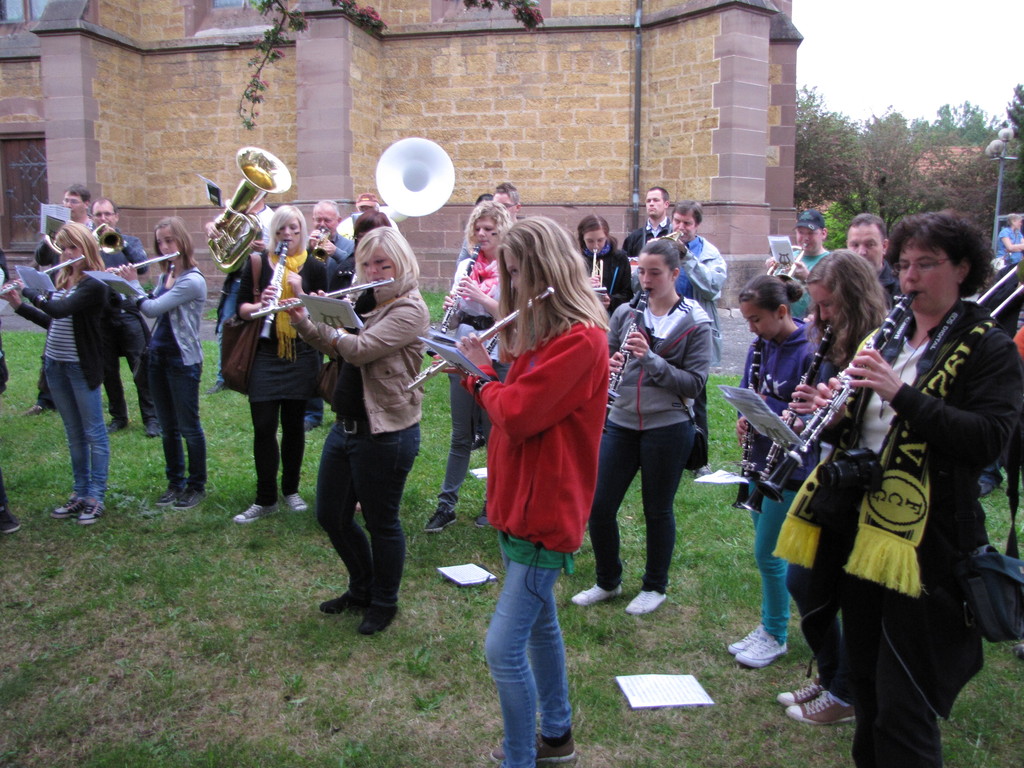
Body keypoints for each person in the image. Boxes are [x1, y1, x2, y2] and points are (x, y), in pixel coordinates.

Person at [775, 211, 1023, 767]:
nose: (910, 276)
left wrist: (900, 394)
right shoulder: (888, 337)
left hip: (928, 545)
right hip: (863, 531)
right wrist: (831, 416)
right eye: (905, 264)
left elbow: (988, 440)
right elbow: (868, 431)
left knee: (905, 701)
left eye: (926, 264)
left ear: (962, 269)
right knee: (867, 685)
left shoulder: (989, 347)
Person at [452, 217, 609, 768]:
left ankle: (519, 758)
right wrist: (487, 368)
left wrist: (478, 376)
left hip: (544, 512)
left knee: (502, 649)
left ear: (546, 272)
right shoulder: (541, 337)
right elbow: (516, 399)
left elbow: (517, 413)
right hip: (517, 500)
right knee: (542, 627)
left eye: (517, 273)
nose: (511, 286)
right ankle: (558, 737)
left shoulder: (582, 340)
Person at [284, 226, 429, 635]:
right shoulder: (365, 300)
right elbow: (336, 350)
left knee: (382, 523)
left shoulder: (409, 309)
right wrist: (305, 319)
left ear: (401, 262)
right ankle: (361, 588)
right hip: (346, 426)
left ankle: (384, 601)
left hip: (385, 431)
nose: (374, 271)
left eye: (383, 263)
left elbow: (360, 350)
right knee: (331, 515)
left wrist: (326, 319)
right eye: (367, 264)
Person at [571, 237, 711, 615]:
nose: (645, 281)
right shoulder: (626, 313)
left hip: (668, 424)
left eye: (655, 274)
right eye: (641, 273)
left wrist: (650, 359)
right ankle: (607, 580)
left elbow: (694, 385)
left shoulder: (695, 322)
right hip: (621, 420)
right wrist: (608, 365)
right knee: (600, 505)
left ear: (675, 274)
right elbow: (605, 358)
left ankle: (654, 585)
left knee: (657, 509)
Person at [776, 251, 888, 725]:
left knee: (833, 588)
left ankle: (845, 692)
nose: (819, 316)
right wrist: (805, 415)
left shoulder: (879, 343)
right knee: (804, 580)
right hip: (831, 471)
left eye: (828, 306)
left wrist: (831, 415)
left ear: (855, 300)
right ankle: (832, 675)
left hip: (866, 481)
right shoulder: (828, 339)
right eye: (817, 305)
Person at [729, 274, 814, 668]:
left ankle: (776, 632)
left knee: (768, 553)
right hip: (761, 458)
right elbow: (748, 389)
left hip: (790, 466)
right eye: (747, 320)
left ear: (782, 311)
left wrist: (778, 416)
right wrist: (746, 415)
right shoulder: (759, 345)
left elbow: (810, 410)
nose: (751, 328)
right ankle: (769, 625)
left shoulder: (809, 349)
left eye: (756, 319)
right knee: (768, 553)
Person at [5, 221, 111, 525]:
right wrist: (18, 304)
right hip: (55, 364)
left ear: (86, 248)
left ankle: (96, 496)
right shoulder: (63, 279)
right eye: (63, 248)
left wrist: (29, 290)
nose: (67, 253)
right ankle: (80, 492)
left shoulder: (95, 283)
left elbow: (61, 310)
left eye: (73, 247)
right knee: (73, 432)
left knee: (94, 432)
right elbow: (52, 322)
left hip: (80, 366)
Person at [233, 205, 327, 523]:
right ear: (273, 232)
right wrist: (261, 304)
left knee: (293, 426)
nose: (287, 235)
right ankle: (265, 498)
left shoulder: (314, 265)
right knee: (263, 427)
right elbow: (241, 308)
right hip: (265, 352)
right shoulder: (259, 262)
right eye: (281, 229)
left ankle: (291, 490)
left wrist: (300, 292)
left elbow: (323, 312)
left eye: (294, 229)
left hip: (301, 353)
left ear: (302, 232)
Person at [424, 200, 513, 533]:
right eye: (478, 228)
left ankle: (493, 503)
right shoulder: (466, 265)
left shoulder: (512, 267)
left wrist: (481, 296)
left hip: (496, 350)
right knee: (460, 434)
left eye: (490, 229)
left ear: (503, 231)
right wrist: (452, 309)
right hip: (464, 346)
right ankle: (446, 504)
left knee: (494, 434)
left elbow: (512, 315)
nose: (482, 234)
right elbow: (456, 316)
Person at [120, 217, 208, 510]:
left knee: (189, 427)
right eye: (160, 242)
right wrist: (122, 285)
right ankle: (175, 483)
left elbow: (151, 308)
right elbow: (146, 302)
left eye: (170, 240)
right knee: (168, 427)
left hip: (182, 361)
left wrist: (132, 283)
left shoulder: (192, 280)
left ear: (182, 241)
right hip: (157, 357)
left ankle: (196, 486)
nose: (165, 247)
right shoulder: (166, 275)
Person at [91, 197, 160, 437]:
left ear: (116, 217)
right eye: (98, 215)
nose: (103, 219)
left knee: (140, 366)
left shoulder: (130, 241)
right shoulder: (89, 244)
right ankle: (118, 417)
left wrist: (119, 242)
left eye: (107, 214)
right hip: (101, 313)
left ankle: (151, 418)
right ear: (92, 218)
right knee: (108, 370)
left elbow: (143, 267)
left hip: (127, 311)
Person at [26, 184, 93, 416]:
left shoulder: (93, 228)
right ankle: (45, 398)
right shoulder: (58, 230)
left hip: (85, 290)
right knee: (53, 341)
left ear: (85, 204)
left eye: (73, 201)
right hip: (60, 286)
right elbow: (41, 258)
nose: (68, 205)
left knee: (86, 347)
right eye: (65, 201)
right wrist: (50, 235)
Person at [204, 196, 274, 395]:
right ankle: (223, 377)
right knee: (226, 325)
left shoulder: (271, 217)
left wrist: (265, 249)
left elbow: (283, 247)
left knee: (262, 329)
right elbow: (214, 227)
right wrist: (211, 227)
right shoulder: (236, 211)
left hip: (263, 280)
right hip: (238, 277)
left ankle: (253, 372)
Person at [303, 200, 357, 432]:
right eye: (318, 219)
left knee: (339, 360)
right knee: (312, 360)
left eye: (327, 220)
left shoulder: (348, 245)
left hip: (340, 308)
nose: (322, 224)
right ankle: (312, 413)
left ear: (338, 221)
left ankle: (339, 406)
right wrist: (308, 250)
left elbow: (354, 267)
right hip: (315, 305)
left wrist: (336, 253)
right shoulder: (308, 244)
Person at [777, 209, 830, 320]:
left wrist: (807, 277)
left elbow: (831, 297)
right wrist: (773, 269)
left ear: (823, 233)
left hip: (810, 321)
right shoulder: (789, 255)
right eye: (801, 232)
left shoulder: (831, 261)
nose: (805, 238)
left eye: (811, 233)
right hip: (782, 319)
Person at [576, 214, 633, 314]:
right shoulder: (576, 258)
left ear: (606, 236)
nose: (596, 246)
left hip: (611, 315)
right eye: (590, 241)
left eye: (600, 240)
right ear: (582, 238)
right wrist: (582, 284)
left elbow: (627, 294)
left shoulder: (620, 258)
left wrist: (610, 300)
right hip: (583, 313)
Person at [846, 213, 899, 302]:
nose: (861, 252)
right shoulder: (835, 285)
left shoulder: (901, 289)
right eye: (855, 245)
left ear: (884, 246)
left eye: (870, 244)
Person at [623, 187, 671, 258]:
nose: (651, 204)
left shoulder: (674, 234)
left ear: (666, 204)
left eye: (656, 200)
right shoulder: (634, 237)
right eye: (648, 201)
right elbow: (624, 262)